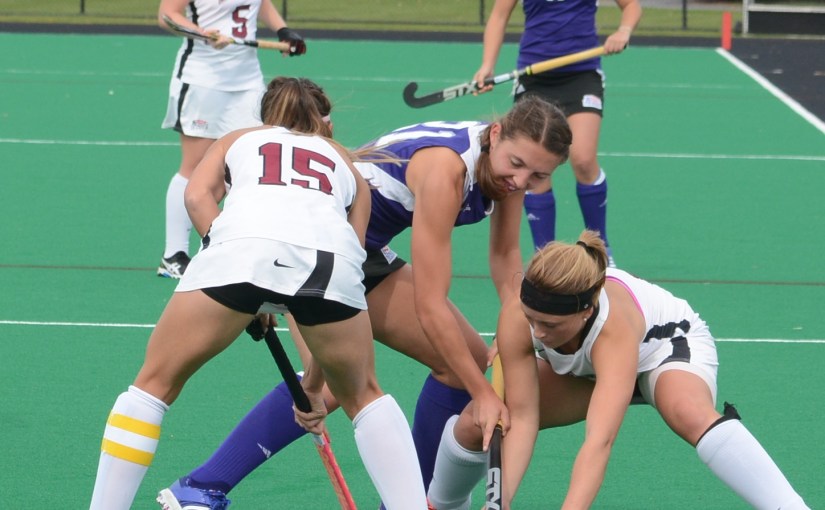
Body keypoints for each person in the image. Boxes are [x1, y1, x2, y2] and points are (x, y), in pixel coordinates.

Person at [156, 95, 574, 508]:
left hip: (360, 248)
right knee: (336, 386)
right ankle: (201, 485)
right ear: (496, 134)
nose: (521, 181)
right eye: (517, 165)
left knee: (461, 360)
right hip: (316, 243)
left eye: (538, 176)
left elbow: (505, 258)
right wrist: (483, 394)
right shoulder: (445, 169)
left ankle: (412, 501)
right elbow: (430, 304)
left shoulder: (508, 169)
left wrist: (515, 321)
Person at [89, 77, 429, 510]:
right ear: (325, 123)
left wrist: (243, 275)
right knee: (364, 394)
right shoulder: (347, 165)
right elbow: (350, 255)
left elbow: (197, 197)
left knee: (153, 385)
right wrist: (312, 387)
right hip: (329, 269)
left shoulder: (240, 137)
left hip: (239, 250)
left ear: (267, 115)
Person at [426, 230, 810, 510]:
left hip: (664, 349)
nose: (538, 332)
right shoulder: (517, 315)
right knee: (480, 417)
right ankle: (440, 504)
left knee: (687, 411)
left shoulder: (614, 327)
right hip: (591, 373)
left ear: (586, 310)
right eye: (532, 319)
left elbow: (599, 441)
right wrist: (502, 499)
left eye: (551, 326)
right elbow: (524, 419)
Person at [473, 0, 642, 266]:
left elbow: (631, 5)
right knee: (534, 170)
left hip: (582, 74)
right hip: (535, 75)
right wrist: (487, 65)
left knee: (583, 159)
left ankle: (600, 250)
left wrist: (624, 30)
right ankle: (546, 257)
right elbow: (498, 16)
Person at [156, 0, 306, 278]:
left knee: (253, 162)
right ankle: (173, 255)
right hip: (202, 80)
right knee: (194, 165)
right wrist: (203, 33)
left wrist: (283, 30)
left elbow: (259, 3)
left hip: (247, 82)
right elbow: (167, 16)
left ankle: (245, 247)